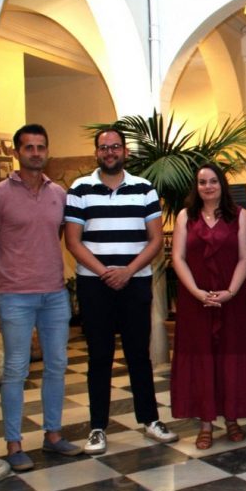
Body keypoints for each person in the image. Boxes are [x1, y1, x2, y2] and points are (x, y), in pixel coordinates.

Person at [64, 127, 176, 455]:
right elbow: (73, 240)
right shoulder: (79, 189)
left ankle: (150, 419)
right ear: (96, 152)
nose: (110, 152)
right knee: (98, 356)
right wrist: (104, 273)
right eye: (104, 147)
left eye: (115, 147)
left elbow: (155, 239)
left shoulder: (144, 189)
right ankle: (98, 426)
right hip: (94, 284)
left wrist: (127, 270)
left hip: (135, 281)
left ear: (124, 151)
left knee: (138, 354)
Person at [0, 124, 82, 470]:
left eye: (41, 147)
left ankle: (53, 435)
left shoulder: (60, 194)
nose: (36, 153)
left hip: (54, 293)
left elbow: (60, 238)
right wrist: (7, 281)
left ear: (47, 151)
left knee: (56, 365)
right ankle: (14, 443)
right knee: (15, 370)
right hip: (15, 297)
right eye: (29, 148)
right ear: (16, 152)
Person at [170, 163, 246, 449]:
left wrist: (231, 291)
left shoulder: (240, 215)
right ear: (196, 187)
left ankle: (233, 418)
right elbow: (178, 258)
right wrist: (198, 293)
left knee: (231, 358)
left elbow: (244, 256)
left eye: (213, 181)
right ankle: (205, 423)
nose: (208, 186)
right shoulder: (185, 217)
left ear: (222, 185)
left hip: (230, 299)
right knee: (201, 360)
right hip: (195, 301)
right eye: (202, 182)